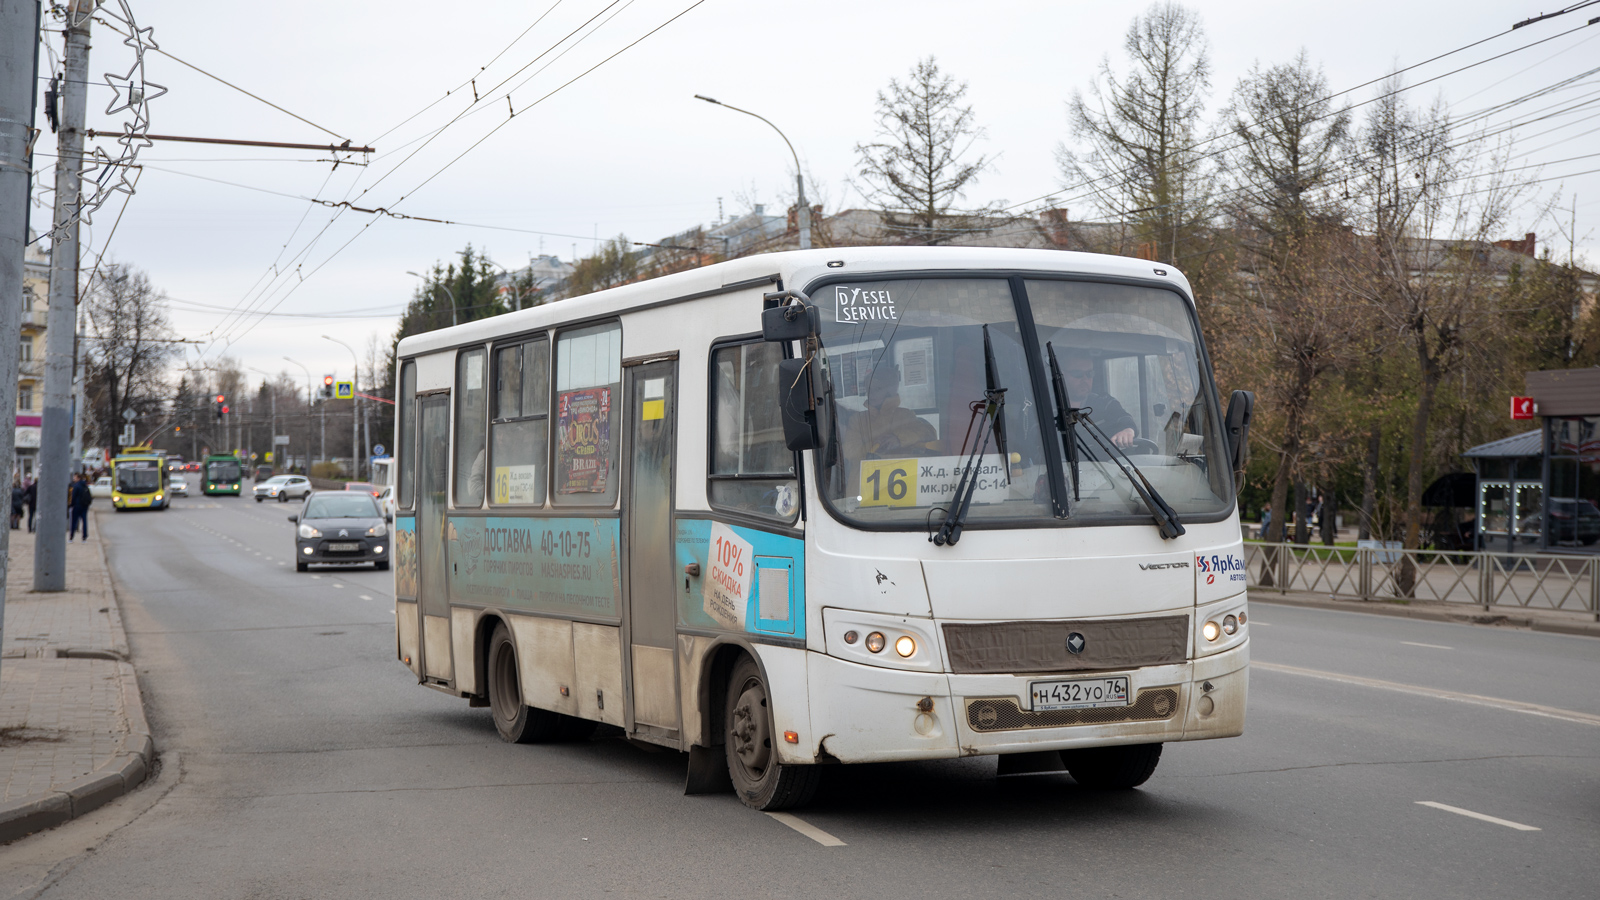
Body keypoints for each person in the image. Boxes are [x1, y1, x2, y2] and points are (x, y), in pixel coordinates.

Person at [840, 363, 939, 462]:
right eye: (869, 389)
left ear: (890, 391)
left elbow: (928, 433)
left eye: (878, 389)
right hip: (863, 474)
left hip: (902, 471)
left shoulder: (905, 415)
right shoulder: (857, 420)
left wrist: (898, 439)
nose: (871, 393)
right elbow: (849, 451)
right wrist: (875, 444)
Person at [1059, 349, 1136, 449]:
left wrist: (1128, 430)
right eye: (1078, 374)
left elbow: (1124, 417)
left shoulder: (1104, 402)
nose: (1085, 379)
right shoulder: (1048, 406)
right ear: (1062, 375)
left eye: (1089, 374)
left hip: (1102, 463)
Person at [68, 472, 92, 541]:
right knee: (84, 521)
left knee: (74, 521)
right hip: (85, 506)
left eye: (75, 477)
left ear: (78, 478)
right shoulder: (85, 485)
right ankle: (84, 537)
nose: (73, 479)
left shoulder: (76, 486)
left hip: (77, 506)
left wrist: (71, 505)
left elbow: (73, 497)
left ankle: (71, 537)